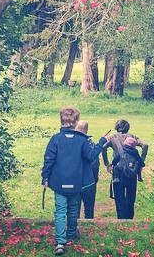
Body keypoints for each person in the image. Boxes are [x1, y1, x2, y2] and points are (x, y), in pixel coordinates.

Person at [42, 107, 107, 255]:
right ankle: (72, 233)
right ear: (76, 122)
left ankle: (60, 242)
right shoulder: (82, 140)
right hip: (76, 182)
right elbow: (91, 156)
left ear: (61, 120)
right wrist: (101, 142)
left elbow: (48, 159)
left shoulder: (55, 139)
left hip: (59, 182)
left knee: (60, 211)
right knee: (72, 209)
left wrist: (45, 177)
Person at [101, 119, 148, 219]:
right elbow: (145, 145)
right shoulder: (133, 137)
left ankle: (121, 220)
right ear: (127, 128)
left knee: (119, 197)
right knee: (131, 197)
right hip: (132, 171)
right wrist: (140, 161)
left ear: (116, 128)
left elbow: (103, 147)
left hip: (118, 172)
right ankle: (130, 219)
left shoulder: (112, 138)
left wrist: (107, 163)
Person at [111, 136, 146, 219]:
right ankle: (130, 217)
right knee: (131, 197)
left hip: (120, 176)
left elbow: (114, 162)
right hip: (132, 177)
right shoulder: (135, 152)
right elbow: (142, 163)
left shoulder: (121, 151)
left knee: (120, 197)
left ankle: (121, 217)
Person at [75, 120, 99, 219]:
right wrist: (94, 178)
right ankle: (89, 227)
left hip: (75, 181)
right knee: (89, 209)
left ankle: (73, 228)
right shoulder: (91, 144)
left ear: (76, 128)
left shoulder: (72, 143)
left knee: (74, 209)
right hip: (89, 181)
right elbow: (95, 164)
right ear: (87, 130)